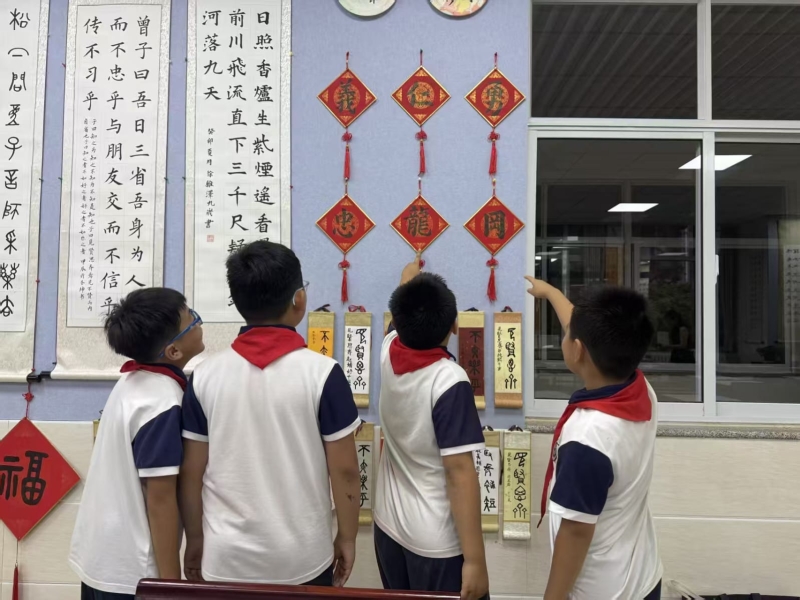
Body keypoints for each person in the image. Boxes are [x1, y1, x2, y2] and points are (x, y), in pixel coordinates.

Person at [180, 241, 361, 588]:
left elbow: (191, 472)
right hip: (303, 558)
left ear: (238, 302)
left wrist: (196, 538)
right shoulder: (324, 373)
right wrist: (348, 536)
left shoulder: (204, 376)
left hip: (225, 558)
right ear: (299, 300)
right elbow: (346, 471)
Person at [525, 277, 662, 600]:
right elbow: (580, 327)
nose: (566, 333)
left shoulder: (588, 437)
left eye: (567, 334)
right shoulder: (640, 390)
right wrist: (552, 293)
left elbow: (576, 531)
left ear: (577, 350)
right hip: (642, 578)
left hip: (603, 591)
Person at [70, 288, 205, 600]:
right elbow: (159, 498)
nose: (199, 323)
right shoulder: (162, 401)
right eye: (191, 319)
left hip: (98, 563)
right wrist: (170, 586)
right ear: (173, 351)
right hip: (133, 576)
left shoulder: (130, 383)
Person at [374, 256, 490, 600]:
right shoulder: (448, 380)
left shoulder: (388, 350)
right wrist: (475, 560)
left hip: (388, 528)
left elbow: (399, 310)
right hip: (436, 544)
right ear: (454, 326)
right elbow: (459, 472)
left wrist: (408, 272)